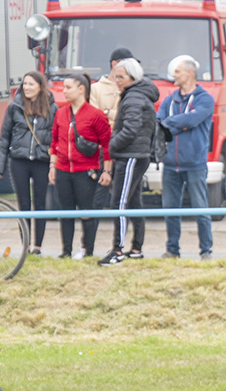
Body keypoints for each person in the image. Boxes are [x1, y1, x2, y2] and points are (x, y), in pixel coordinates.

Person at [98, 58, 159, 265]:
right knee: (133, 201)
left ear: (132, 77)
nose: (116, 80)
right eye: (115, 76)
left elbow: (130, 129)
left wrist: (112, 145)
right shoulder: (138, 94)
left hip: (130, 155)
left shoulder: (133, 97)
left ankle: (117, 250)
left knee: (120, 202)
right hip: (135, 154)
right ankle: (136, 247)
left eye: (120, 77)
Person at [0, 72, 57, 256]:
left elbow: (57, 135)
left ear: (40, 86)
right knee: (23, 203)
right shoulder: (14, 107)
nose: (27, 87)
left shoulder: (52, 107)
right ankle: (26, 245)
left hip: (42, 160)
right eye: (25, 84)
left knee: (40, 202)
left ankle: (38, 246)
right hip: (19, 160)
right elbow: (4, 137)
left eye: (31, 84)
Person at [157, 55, 214, 260]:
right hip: (171, 164)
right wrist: (180, 124)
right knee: (170, 209)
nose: (174, 75)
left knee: (201, 208)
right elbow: (159, 123)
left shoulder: (205, 99)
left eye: (178, 71)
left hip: (195, 164)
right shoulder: (169, 99)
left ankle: (206, 251)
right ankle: (172, 249)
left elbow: (194, 119)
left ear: (189, 73)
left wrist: (171, 123)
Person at [49, 74, 112, 259]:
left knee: (87, 211)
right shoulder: (61, 112)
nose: (64, 91)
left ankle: (87, 249)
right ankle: (66, 250)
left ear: (81, 89)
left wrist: (107, 170)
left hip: (86, 171)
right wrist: (52, 166)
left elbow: (107, 144)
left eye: (68, 87)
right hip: (62, 169)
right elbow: (54, 142)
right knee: (65, 211)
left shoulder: (95, 115)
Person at [90, 47, 134, 250]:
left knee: (127, 198)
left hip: (125, 147)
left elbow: (127, 118)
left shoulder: (131, 89)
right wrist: (112, 115)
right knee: (98, 198)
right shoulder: (96, 88)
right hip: (101, 149)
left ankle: (124, 245)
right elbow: (95, 117)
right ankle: (88, 246)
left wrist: (109, 112)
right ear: (114, 64)